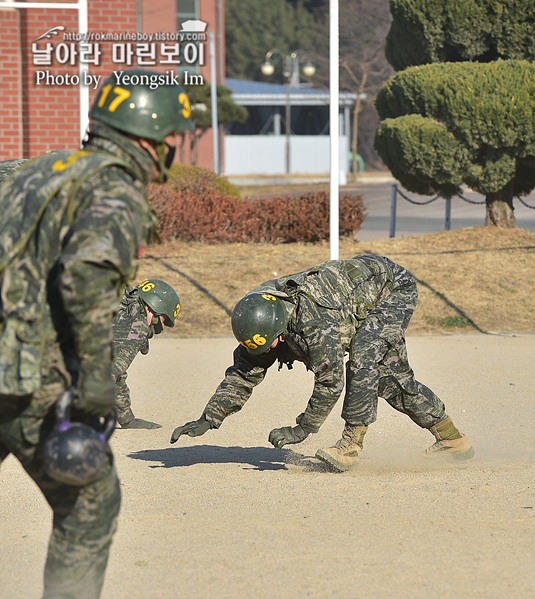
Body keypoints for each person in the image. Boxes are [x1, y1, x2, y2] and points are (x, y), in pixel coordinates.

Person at [0, 68, 194, 598]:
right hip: (19, 373)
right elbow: (85, 279)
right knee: (90, 502)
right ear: (148, 134)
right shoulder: (113, 188)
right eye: (171, 136)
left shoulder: (39, 170)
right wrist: (95, 388)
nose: (173, 147)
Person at [171, 254, 474, 472]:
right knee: (390, 379)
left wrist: (302, 429)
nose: (270, 351)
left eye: (274, 345)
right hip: (356, 298)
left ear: (282, 327)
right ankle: (452, 440)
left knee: (365, 359)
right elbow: (243, 374)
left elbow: (331, 381)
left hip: (392, 287)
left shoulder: (314, 323)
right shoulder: (260, 315)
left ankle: (350, 446)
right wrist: (209, 418)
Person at [113, 279, 181, 429]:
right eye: (164, 320)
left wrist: (127, 419)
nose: (162, 327)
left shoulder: (123, 302)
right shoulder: (138, 323)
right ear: (154, 307)